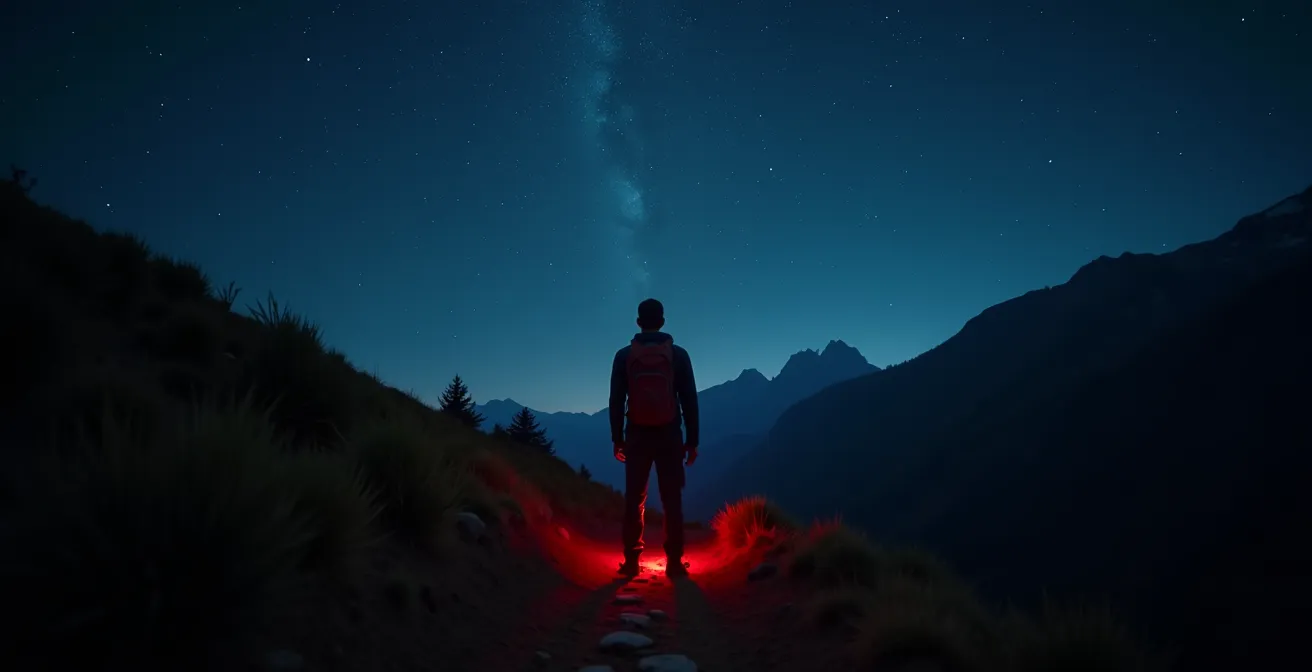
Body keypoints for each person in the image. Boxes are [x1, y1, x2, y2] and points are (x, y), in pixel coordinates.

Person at [609, 298, 700, 577]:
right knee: (671, 498)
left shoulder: (624, 356)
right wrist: (692, 441)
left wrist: (617, 438)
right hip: (669, 433)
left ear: (638, 322)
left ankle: (631, 562)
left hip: (636, 434)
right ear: (662, 321)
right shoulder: (678, 355)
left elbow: (616, 400)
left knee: (634, 498)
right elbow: (689, 399)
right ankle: (674, 563)